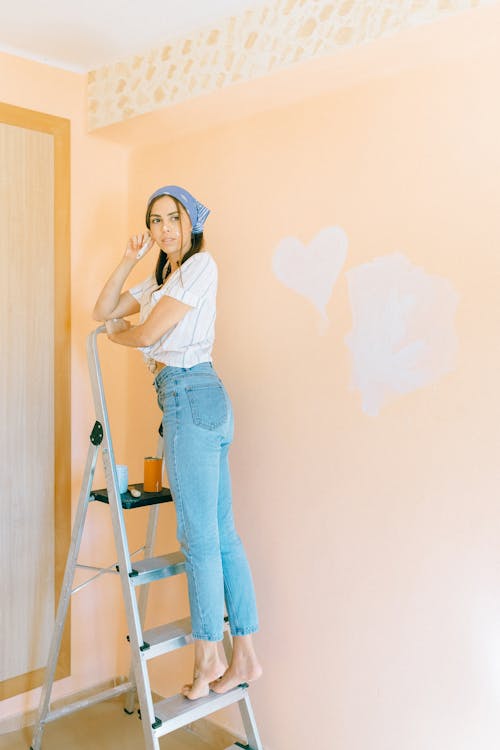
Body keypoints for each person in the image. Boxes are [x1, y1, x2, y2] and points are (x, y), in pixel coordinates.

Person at [93, 185, 262, 701]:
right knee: (223, 535)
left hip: (190, 394)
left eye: (174, 218)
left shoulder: (198, 267)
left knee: (201, 540)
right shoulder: (161, 278)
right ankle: (246, 658)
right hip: (196, 397)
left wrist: (122, 335)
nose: (165, 228)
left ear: (192, 223)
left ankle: (210, 656)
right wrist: (127, 262)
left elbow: (142, 336)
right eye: (156, 220)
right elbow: (103, 308)